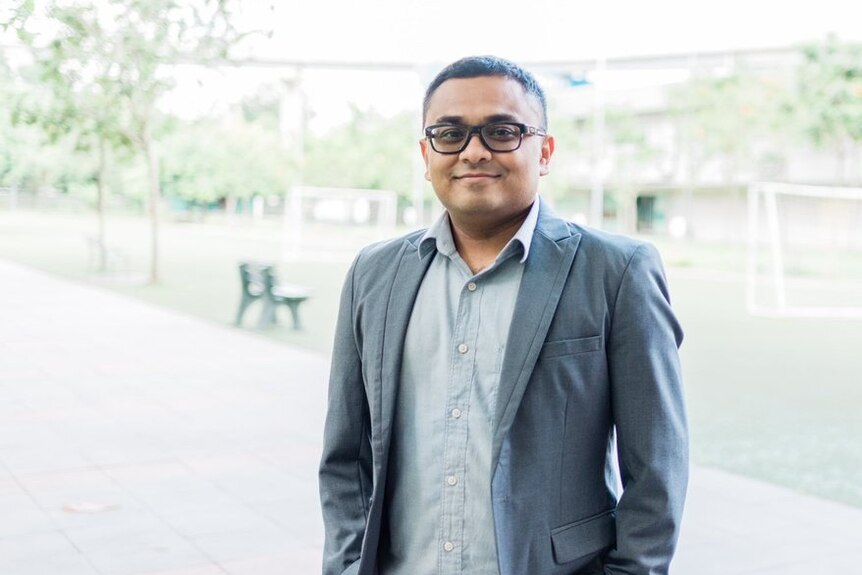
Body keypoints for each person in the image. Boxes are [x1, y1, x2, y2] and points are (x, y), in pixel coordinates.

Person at [319, 55, 688, 575]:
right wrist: (347, 563)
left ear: (545, 151)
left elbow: (657, 471)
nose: (473, 151)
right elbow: (345, 457)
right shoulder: (373, 274)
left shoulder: (618, 271)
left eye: (502, 130)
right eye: (450, 133)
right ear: (426, 154)